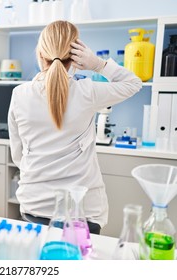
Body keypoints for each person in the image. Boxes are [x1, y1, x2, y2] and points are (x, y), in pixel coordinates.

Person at [8, 20, 142, 234]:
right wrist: (98, 64)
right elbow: (134, 83)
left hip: (36, 203)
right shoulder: (87, 91)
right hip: (83, 209)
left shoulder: (19, 94)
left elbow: (18, 154)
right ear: (76, 57)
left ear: (40, 55)